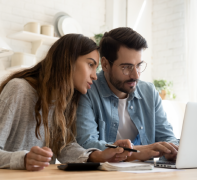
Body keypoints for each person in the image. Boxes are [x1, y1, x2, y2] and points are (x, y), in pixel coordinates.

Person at [0, 34, 132, 171]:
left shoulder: (65, 100)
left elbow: (64, 147)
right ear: (68, 60)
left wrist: (97, 156)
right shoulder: (19, 89)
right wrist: (24, 159)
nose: (95, 76)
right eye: (90, 64)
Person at [76, 27, 179, 162]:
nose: (136, 75)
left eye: (139, 65)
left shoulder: (149, 92)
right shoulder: (87, 91)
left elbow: (167, 136)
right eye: (127, 67)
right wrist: (138, 151)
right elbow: (86, 144)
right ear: (106, 65)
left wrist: (172, 150)